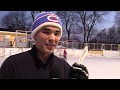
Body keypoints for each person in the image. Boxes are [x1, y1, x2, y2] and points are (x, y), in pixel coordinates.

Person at [0, 12, 89, 79]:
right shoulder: (12, 65)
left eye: (57, 33)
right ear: (34, 35)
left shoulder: (64, 67)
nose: (52, 38)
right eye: (46, 32)